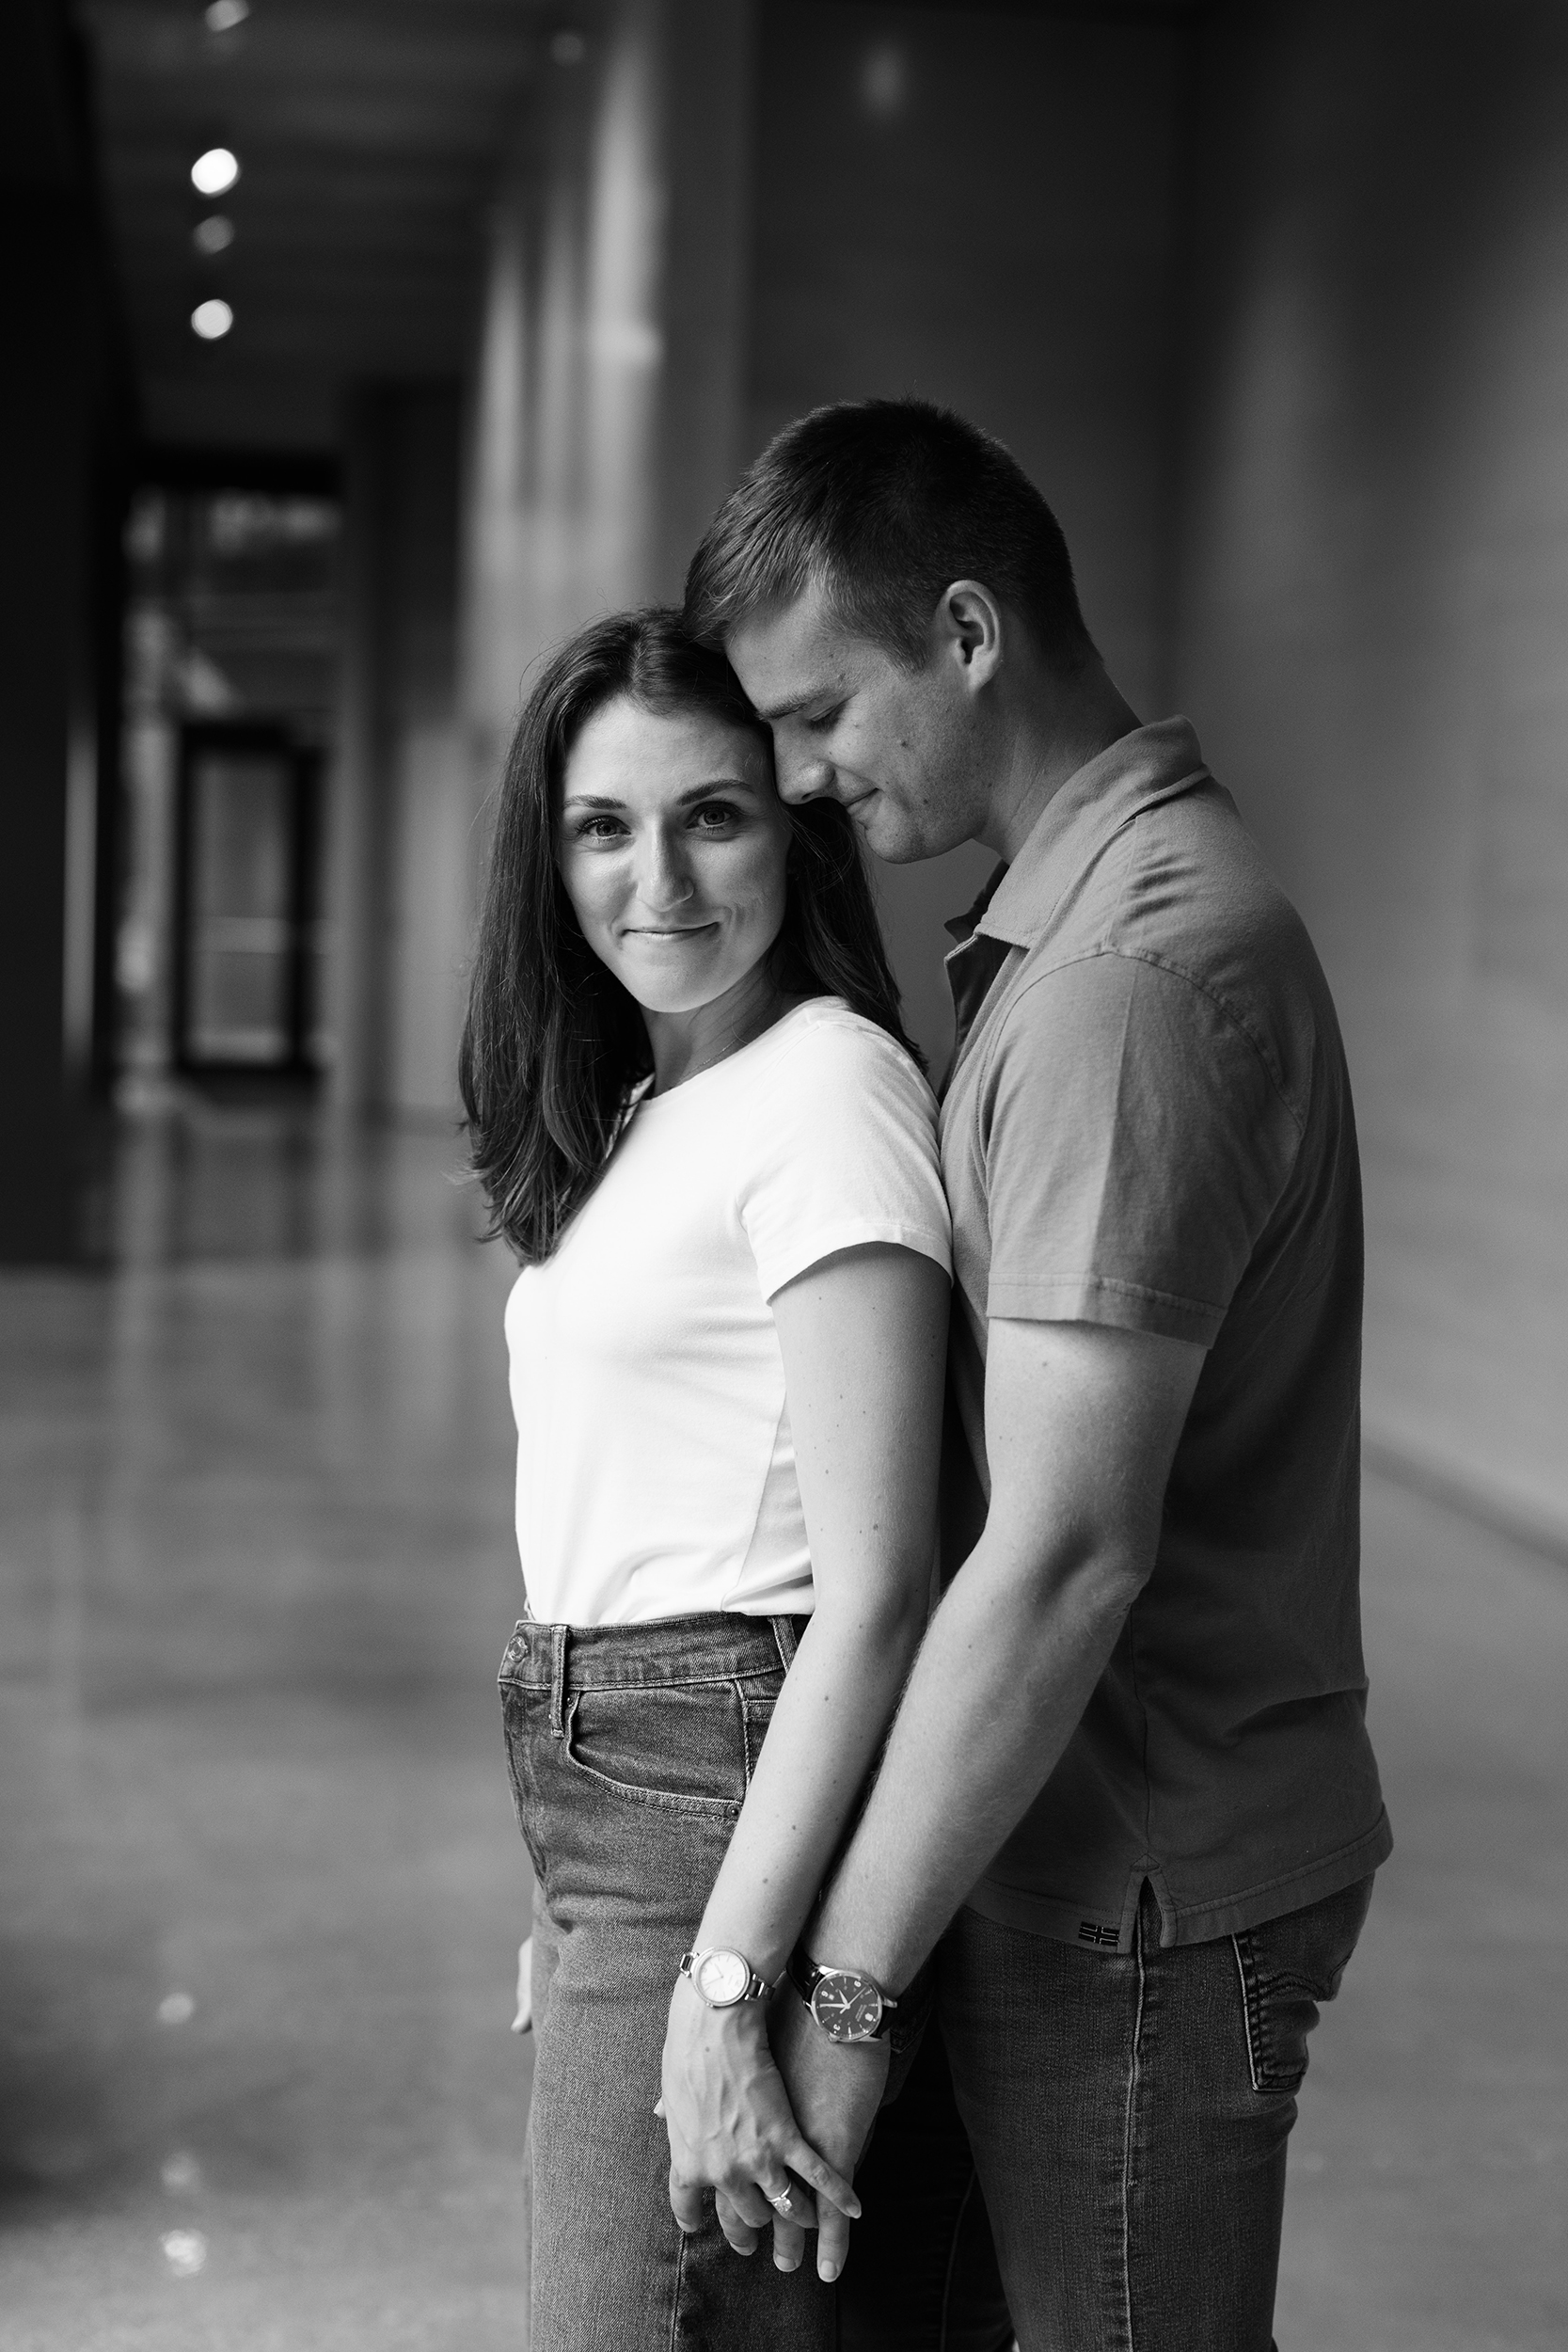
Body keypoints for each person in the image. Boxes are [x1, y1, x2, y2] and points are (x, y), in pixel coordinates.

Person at [674, 398, 1393, 2351]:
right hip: (1094, 1859)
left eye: (822, 713)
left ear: (970, 633)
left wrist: (834, 1988)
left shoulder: (1122, 987)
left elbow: (1065, 1556)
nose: (805, 778)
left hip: (1137, 1890)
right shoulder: (1093, 921)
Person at [459, 609, 953, 2352]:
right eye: (603, 826)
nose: (654, 877)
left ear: (794, 828)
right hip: (619, 1809)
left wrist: (728, 1971)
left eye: (713, 815)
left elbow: (880, 1589)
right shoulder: (651, 1111)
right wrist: (570, 1896)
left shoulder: (826, 1091)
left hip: (716, 1798)